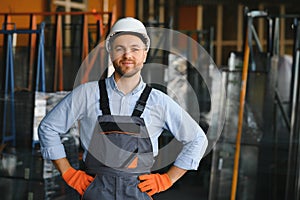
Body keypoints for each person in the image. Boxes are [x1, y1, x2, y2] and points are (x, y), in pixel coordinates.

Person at [38, 17, 208, 199]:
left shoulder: (159, 102)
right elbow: (48, 128)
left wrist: (167, 179)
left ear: (144, 54)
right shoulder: (86, 94)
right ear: (110, 53)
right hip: (95, 191)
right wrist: (68, 173)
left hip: (138, 192)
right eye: (120, 48)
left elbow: (197, 139)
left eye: (135, 49)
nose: (128, 55)